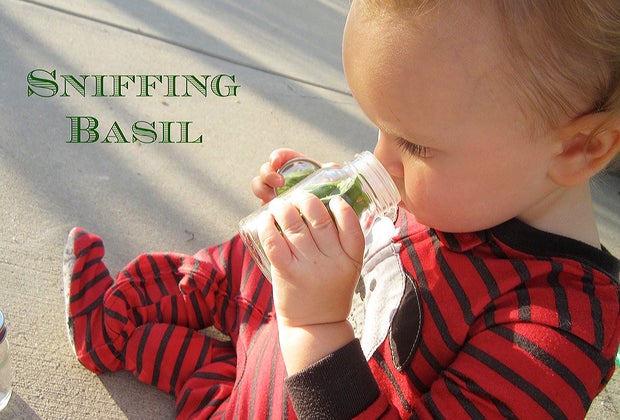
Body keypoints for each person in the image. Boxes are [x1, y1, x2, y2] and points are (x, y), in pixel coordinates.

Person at [63, 0, 620, 418]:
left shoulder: (556, 333)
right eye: (381, 127)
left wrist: (315, 325)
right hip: (288, 317)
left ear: (579, 148)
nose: (380, 159)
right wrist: (316, 194)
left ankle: (154, 352)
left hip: (300, 388)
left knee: (212, 380)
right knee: (241, 262)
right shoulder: (475, 189)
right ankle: (114, 319)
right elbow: (382, 241)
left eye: (414, 144)